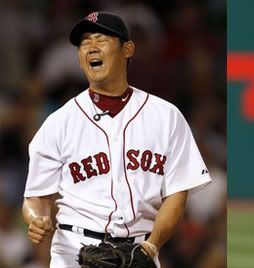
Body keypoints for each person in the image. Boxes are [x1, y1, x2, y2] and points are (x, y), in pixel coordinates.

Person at [22, 11, 211, 267]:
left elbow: (177, 193)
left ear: (128, 49)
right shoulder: (58, 123)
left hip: (140, 249)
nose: (91, 47)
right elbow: (36, 197)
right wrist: (36, 218)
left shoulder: (166, 116)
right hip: (75, 250)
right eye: (85, 43)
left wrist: (151, 246)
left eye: (101, 39)